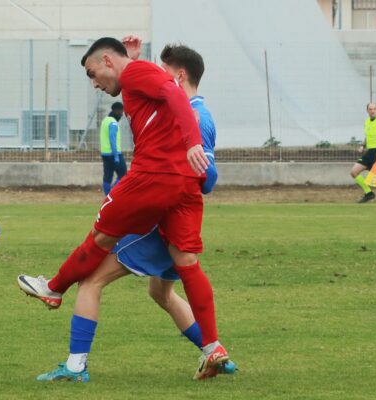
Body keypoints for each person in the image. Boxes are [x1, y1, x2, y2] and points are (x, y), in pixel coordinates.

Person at [18, 36, 229, 379]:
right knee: (173, 280)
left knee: (97, 253)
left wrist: (193, 145)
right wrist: (131, 59)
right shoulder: (141, 80)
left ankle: (54, 290)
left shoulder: (165, 93)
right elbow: (154, 94)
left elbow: (171, 98)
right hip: (179, 192)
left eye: (92, 73)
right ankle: (213, 347)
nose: (93, 83)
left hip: (151, 179)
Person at [350, 102, 376, 203]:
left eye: (374, 109)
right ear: (367, 111)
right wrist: (363, 145)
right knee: (354, 172)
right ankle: (369, 193)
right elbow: (367, 136)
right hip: (369, 152)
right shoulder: (367, 122)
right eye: (370, 109)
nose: (372, 111)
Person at [100, 102, 128, 195]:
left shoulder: (105, 121)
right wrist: (116, 155)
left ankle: (107, 197)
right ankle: (114, 194)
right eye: (121, 112)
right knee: (123, 174)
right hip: (114, 153)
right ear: (117, 110)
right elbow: (112, 139)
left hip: (105, 154)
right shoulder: (113, 123)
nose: (121, 114)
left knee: (107, 177)